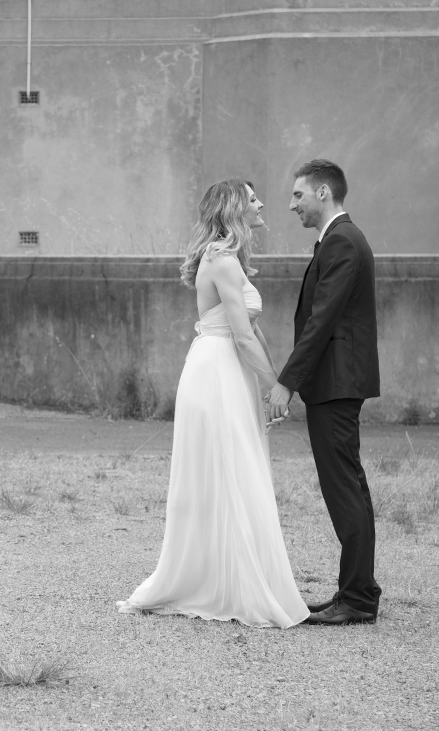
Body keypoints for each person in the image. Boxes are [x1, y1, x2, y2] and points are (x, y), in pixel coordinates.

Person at [117, 179, 309, 629]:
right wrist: (278, 387)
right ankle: (229, 587)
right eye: (253, 197)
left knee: (237, 472)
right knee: (230, 469)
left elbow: (253, 332)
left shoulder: (230, 259)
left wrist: (274, 381)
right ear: (235, 208)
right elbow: (240, 335)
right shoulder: (221, 261)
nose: (262, 203)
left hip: (228, 368)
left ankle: (233, 580)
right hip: (217, 370)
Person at [267, 159, 382, 625]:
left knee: (344, 489)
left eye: (298, 195)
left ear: (322, 193)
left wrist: (286, 381)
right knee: (349, 485)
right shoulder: (340, 240)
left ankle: (356, 599)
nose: (292, 204)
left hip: (335, 383)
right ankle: (359, 589)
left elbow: (322, 322)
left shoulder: (342, 242)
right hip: (336, 382)